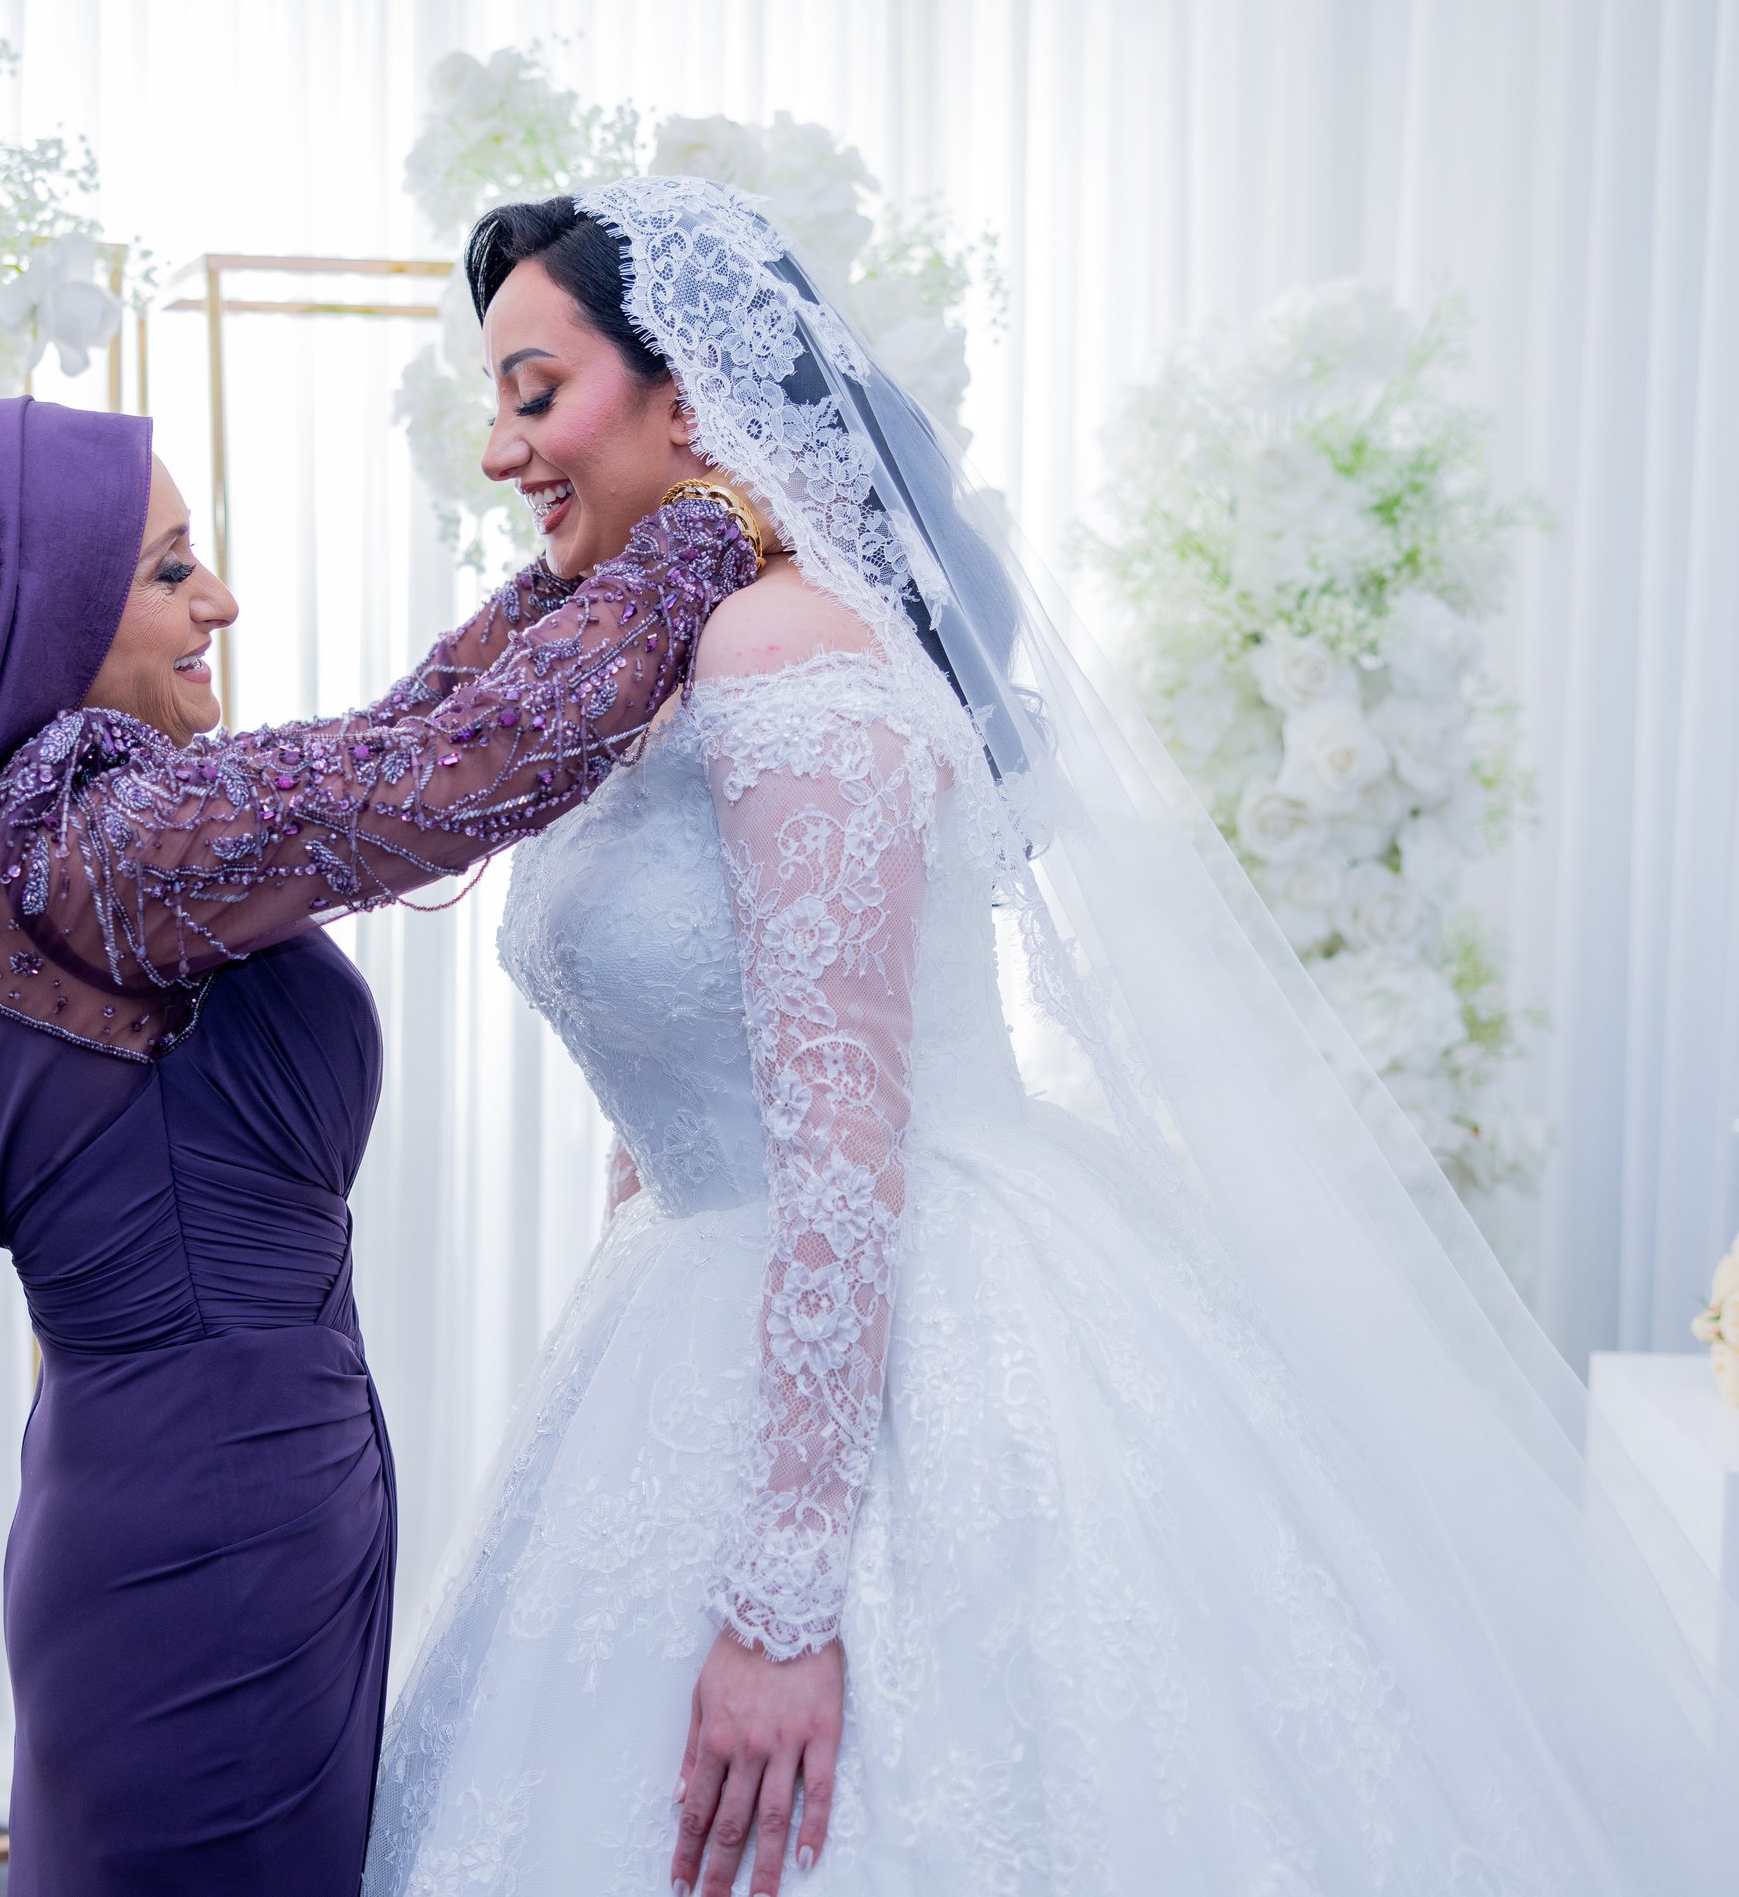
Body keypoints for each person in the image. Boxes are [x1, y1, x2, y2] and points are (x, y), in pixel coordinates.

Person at [365, 177, 1739, 1897]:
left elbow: (846, 1132)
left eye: (533, 388)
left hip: (909, 1319)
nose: (501, 449)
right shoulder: (651, 663)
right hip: (699, 1319)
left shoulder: (782, 650)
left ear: (689, 393)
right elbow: (691, 1065)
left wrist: (791, 1602)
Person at [0, 394, 758, 1893]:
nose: (219, 599)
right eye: (166, 569)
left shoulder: (47, 836)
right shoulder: (94, 860)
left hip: (211, 1491)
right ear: (21, 609)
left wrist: (575, 562)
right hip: (211, 1542)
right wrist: (705, 531)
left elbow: (400, 732)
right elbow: (475, 766)